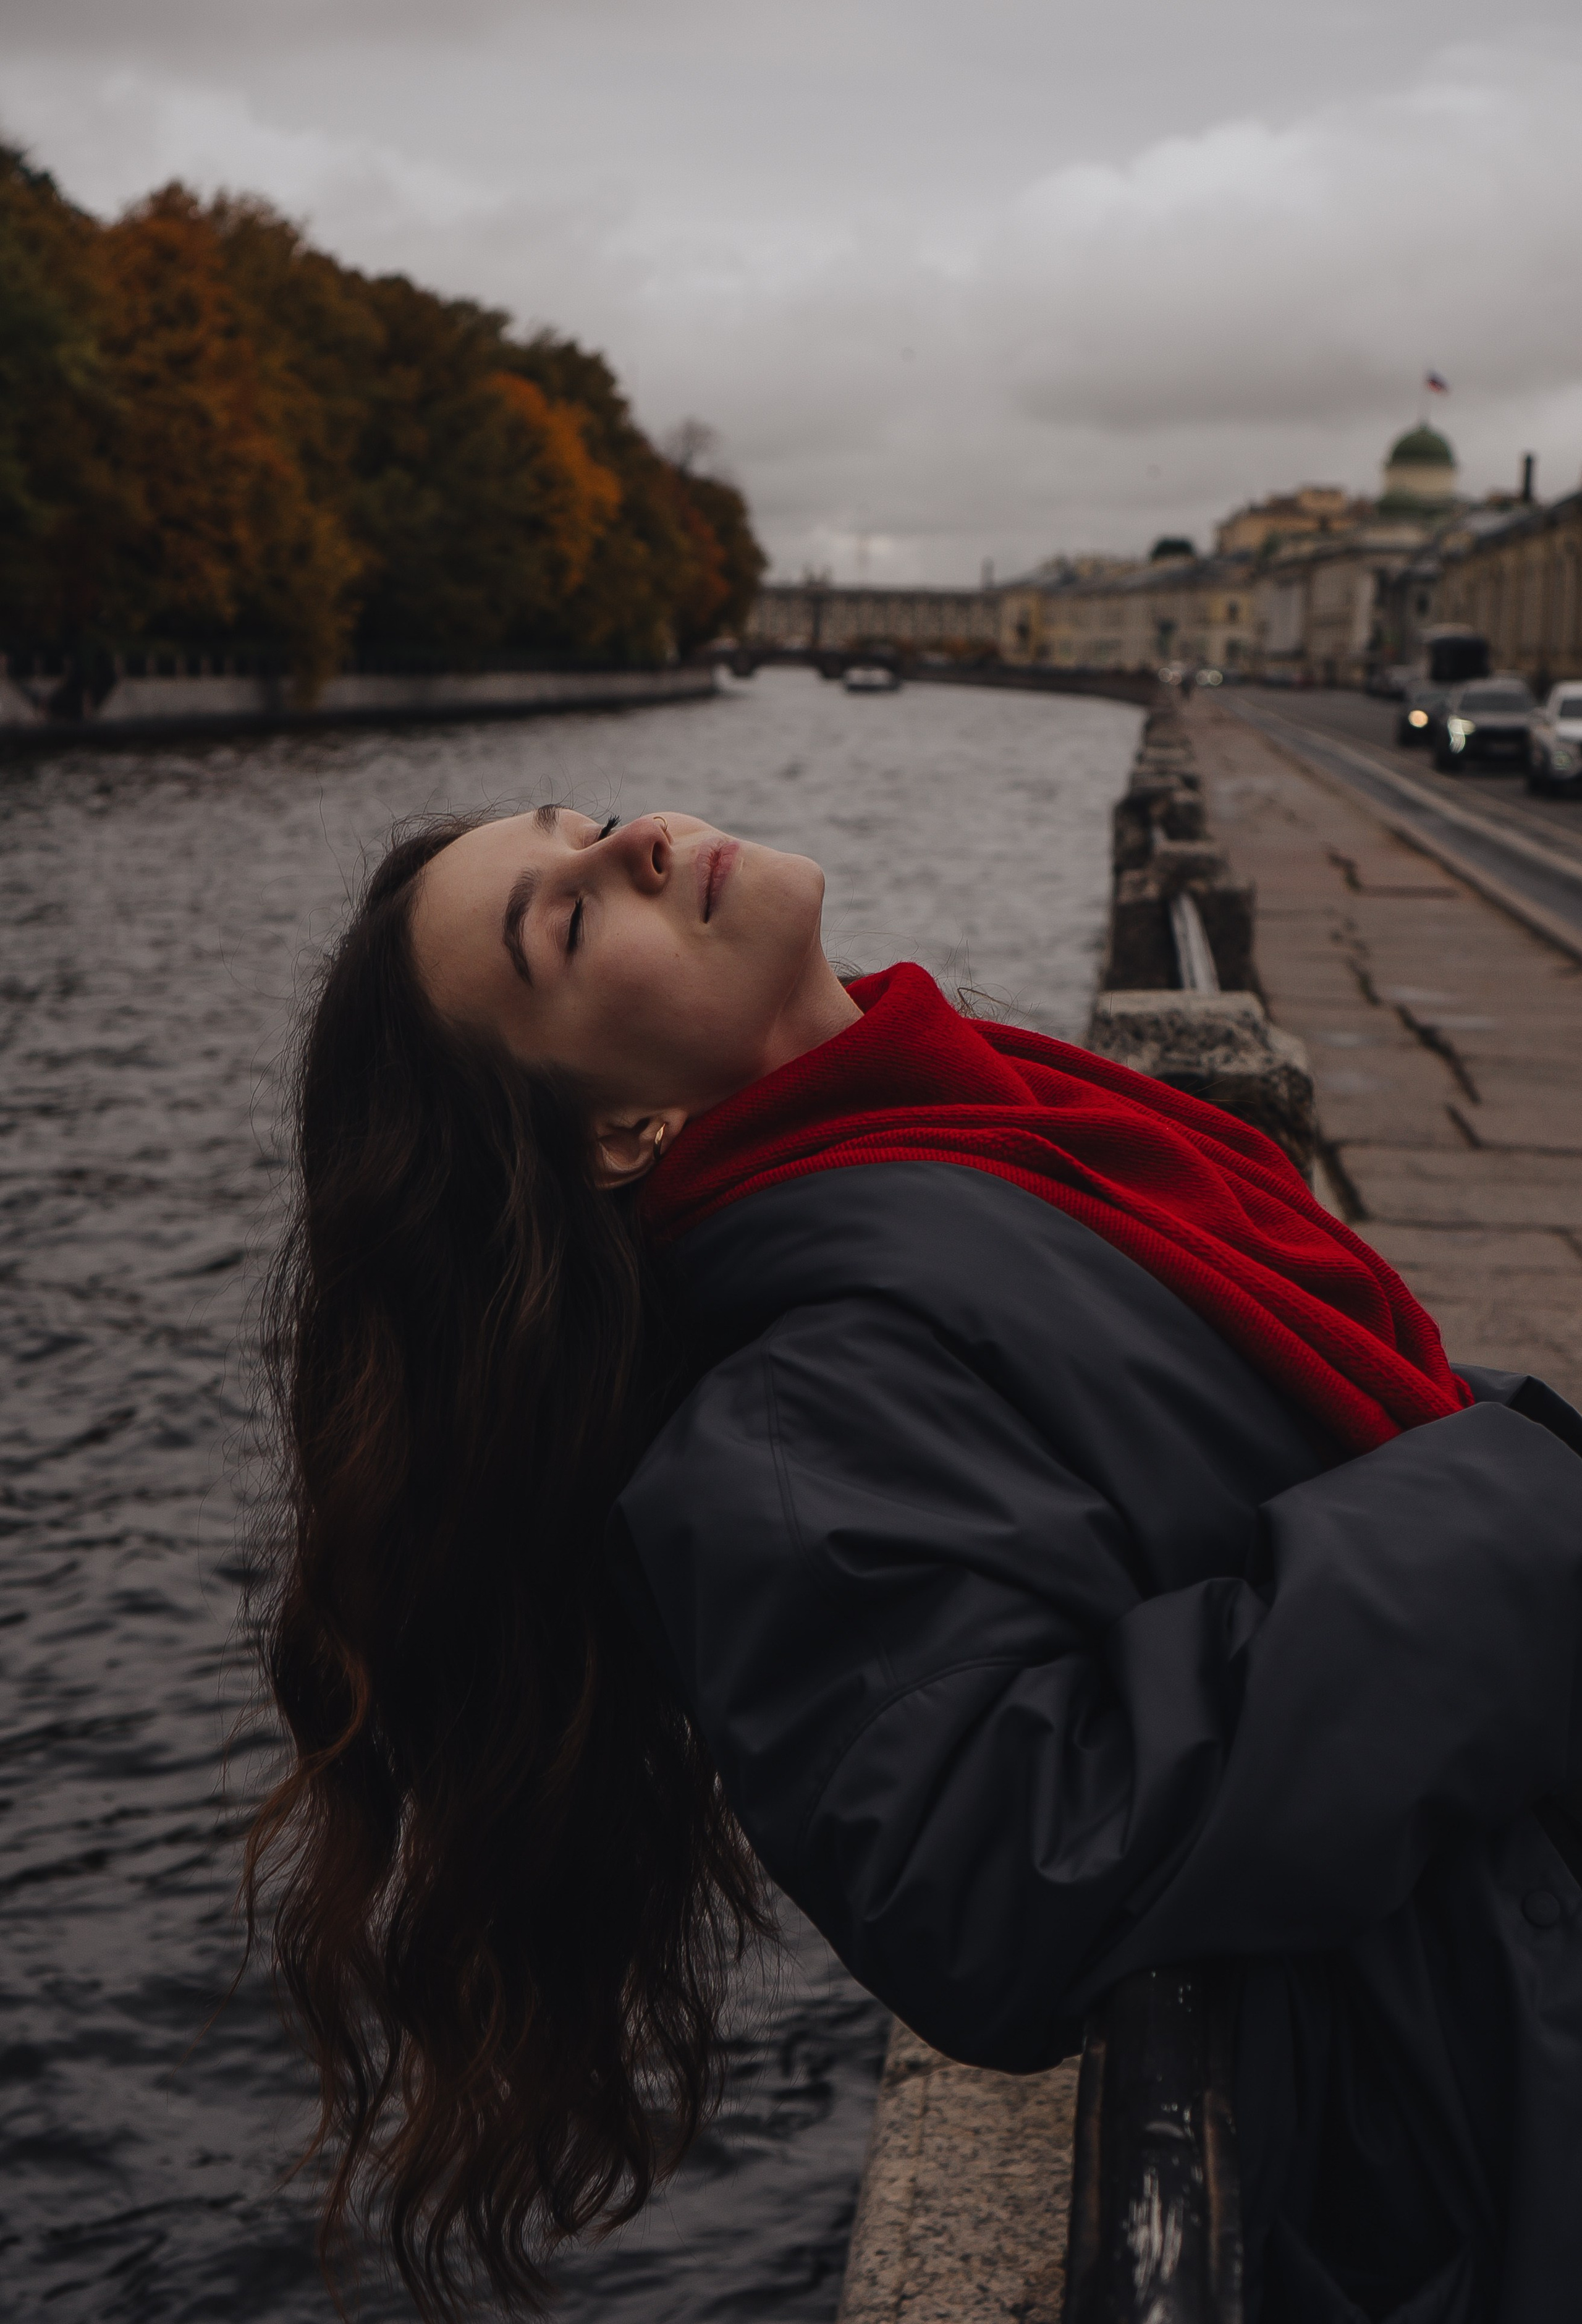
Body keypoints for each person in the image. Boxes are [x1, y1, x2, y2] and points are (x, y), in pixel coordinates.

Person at [244, 802, 1582, 2324]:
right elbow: (1001, 1872)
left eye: (592, 824)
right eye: (564, 920)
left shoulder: (980, 1131)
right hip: (1491, 2097)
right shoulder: (784, 1427)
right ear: (617, 1133)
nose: (637, 850)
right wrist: (1521, 1503)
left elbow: (1285, 1444)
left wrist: (1497, 1473)